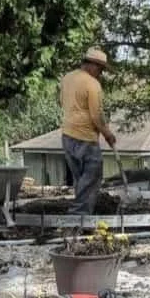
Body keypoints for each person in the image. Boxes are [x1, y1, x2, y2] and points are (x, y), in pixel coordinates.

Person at [59, 47, 117, 216]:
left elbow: (61, 102)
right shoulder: (92, 84)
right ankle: (78, 215)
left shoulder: (67, 78)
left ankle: (83, 217)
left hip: (68, 135)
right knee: (92, 177)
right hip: (85, 138)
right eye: (100, 69)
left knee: (81, 180)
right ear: (92, 65)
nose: (101, 73)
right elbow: (96, 115)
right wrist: (107, 133)